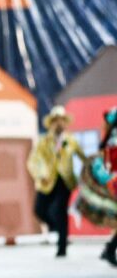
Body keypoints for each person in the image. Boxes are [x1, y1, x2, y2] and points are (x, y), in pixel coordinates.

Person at [28, 105, 85, 258]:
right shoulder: (44, 141)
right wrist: (40, 174)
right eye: (56, 121)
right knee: (40, 209)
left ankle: (62, 246)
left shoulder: (71, 141)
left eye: (61, 121)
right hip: (47, 180)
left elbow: (84, 158)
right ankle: (58, 230)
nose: (59, 124)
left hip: (65, 181)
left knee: (60, 210)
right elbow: (33, 161)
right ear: (51, 123)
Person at [74, 107, 117, 266]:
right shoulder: (114, 139)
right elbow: (111, 164)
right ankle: (110, 249)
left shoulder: (111, 138)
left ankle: (110, 249)